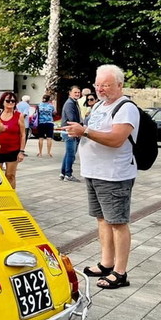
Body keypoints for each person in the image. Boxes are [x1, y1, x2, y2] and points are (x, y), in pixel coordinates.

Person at [63, 64, 139, 290]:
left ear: (119, 84)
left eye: (105, 85)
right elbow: (90, 130)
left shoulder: (125, 108)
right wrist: (77, 129)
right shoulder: (98, 107)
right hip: (94, 173)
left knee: (118, 222)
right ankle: (106, 263)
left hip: (114, 175)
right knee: (102, 219)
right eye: (97, 85)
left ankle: (120, 271)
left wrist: (84, 131)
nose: (100, 89)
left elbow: (116, 139)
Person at [0, 92, 26, 188]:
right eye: (8, 100)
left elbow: (23, 134)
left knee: (10, 176)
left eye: (13, 101)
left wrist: (21, 151)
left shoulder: (18, 115)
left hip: (13, 150)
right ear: (3, 102)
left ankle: (11, 196)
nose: (10, 102)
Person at [60, 86, 82, 182]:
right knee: (71, 154)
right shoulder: (70, 103)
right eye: (75, 92)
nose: (77, 94)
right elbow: (72, 119)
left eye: (78, 92)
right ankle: (68, 175)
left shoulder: (73, 102)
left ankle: (63, 173)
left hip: (69, 131)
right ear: (70, 93)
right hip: (70, 132)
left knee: (68, 153)